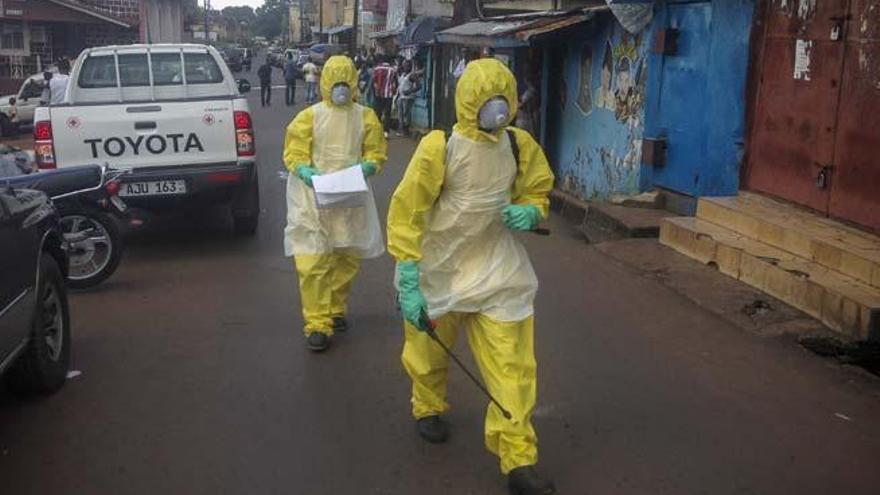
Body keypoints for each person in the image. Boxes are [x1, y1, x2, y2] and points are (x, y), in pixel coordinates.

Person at [386, 58, 556, 495]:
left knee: (513, 366)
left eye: (503, 101)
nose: (497, 110)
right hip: (439, 268)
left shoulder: (518, 145)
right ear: (468, 102)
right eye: (487, 101)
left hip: (496, 268)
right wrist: (408, 273)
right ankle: (427, 405)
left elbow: (536, 188)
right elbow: (408, 210)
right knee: (429, 353)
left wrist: (531, 210)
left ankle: (518, 458)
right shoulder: (439, 147)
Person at [282, 55, 388, 352]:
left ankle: (335, 308)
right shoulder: (309, 117)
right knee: (312, 259)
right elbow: (294, 151)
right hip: (311, 196)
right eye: (336, 81)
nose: (341, 87)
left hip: (350, 195)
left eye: (346, 81)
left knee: (346, 256)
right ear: (325, 81)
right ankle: (317, 323)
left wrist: (370, 165)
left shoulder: (365, 116)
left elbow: (376, 150)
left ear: (354, 82)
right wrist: (303, 169)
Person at [371, 56, 396, 137]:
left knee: (378, 113)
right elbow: (395, 83)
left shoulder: (376, 69)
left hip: (378, 94)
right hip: (388, 95)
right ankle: (386, 132)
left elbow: (373, 82)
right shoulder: (393, 70)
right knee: (387, 114)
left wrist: (375, 93)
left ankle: (377, 130)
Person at [395, 62, 419, 137]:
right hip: (401, 97)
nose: (406, 67)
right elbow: (400, 86)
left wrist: (409, 91)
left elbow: (419, 86)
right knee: (400, 115)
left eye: (408, 66)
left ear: (410, 67)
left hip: (408, 98)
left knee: (406, 114)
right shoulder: (402, 75)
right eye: (404, 66)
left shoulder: (412, 75)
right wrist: (397, 97)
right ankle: (401, 130)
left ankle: (406, 130)